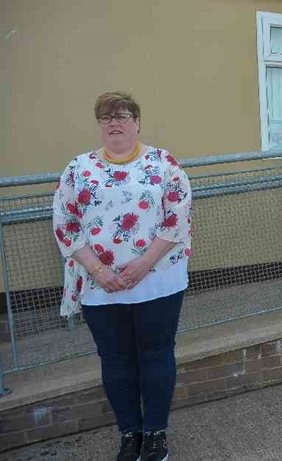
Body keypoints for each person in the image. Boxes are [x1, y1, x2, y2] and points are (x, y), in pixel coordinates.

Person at [53, 92, 192, 461]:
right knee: (115, 360)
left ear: (137, 122)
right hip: (100, 287)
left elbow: (177, 217)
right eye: (106, 117)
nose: (115, 122)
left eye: (123, 115)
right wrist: (98, 269)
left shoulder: (164, 163)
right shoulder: (78, 168)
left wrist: (144, 263)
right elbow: (64, 223)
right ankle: (130, 433)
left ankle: (156, 435)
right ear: (99, 124)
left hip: (158, 280)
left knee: (156, 354)